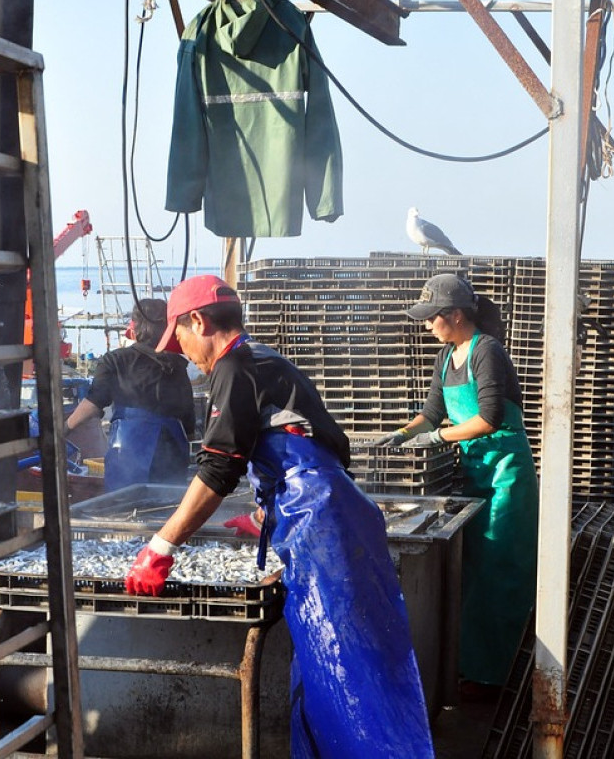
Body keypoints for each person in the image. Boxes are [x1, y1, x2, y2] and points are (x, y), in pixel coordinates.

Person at [124, 275, 433, 758]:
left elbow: (220, 467)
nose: (181, 351)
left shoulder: (232, 368)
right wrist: (269, 511)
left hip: (323, 526)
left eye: (179, 337)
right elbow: (326, 447)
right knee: (345, 659)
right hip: (331, 517)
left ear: (198, 321)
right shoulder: (266, 361)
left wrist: (161, 547)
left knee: (346, 666)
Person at [374, 273, 539, 693]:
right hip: (472, 472)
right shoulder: (446, 357)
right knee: (470, 571)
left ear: (457, 315)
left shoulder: (487, 351)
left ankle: (497, 674)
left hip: (505, 475)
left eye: (432, 318)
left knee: (501, 570)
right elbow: (430, 413)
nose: (427, 325)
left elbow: (489, 418)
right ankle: (470, 666)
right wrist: (403, 434)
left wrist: (439, 437)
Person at [65, 299, 196, 493]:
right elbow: (188, 418)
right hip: (172, 450)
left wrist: (65, 428)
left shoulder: (115, 360)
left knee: (124, 506)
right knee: (167, 508)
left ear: (134, 327)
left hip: (129, 453)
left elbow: (93, 403)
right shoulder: (177, 365)